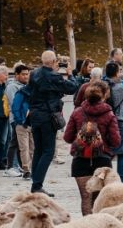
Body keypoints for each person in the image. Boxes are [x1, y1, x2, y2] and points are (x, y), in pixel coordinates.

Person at [26, 51, 83, 193]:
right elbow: (71, 88)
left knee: (38, 150)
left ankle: (36, 183)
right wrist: (70, 73)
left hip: (35, 115)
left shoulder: (34, 74)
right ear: (53, 61)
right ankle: (37, 185)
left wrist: (53, 71)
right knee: (48, 151)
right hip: (47, 116)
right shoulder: (54, 76)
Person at [64, 82, 121, 215]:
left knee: (85, 198)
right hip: (102, 161)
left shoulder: (77, 112)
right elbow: (116, 141)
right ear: (104, 95)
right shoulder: (109, 114)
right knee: (100, 198)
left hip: (80, 160)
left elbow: (67, 137)